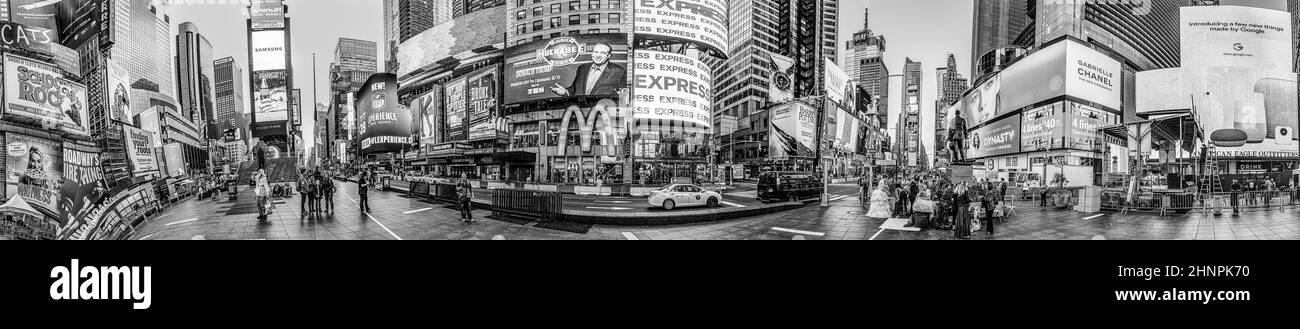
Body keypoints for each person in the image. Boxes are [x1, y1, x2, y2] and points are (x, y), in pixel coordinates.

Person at [549, 43, 627, 97]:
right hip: (581, 109)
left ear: (609, 55)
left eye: (603, 53)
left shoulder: (619, 71)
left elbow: (623, 93)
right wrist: (565, 92)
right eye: (596, 52)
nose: (598, 55)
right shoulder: (582, 68)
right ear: (592, 54)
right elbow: (575, 88)